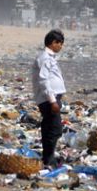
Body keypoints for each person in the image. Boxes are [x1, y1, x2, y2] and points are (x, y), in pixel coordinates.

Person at [32, 29, 67, 167]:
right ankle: (49, 158)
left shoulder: (49, 57)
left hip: (50, 98)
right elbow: (44, 80)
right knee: (55, 129)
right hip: (48, 99)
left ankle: (48, 157)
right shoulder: (45, 58)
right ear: (53, 43)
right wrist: (52, 101)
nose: (61, 46)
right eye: (60, 43)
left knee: (50, 127)